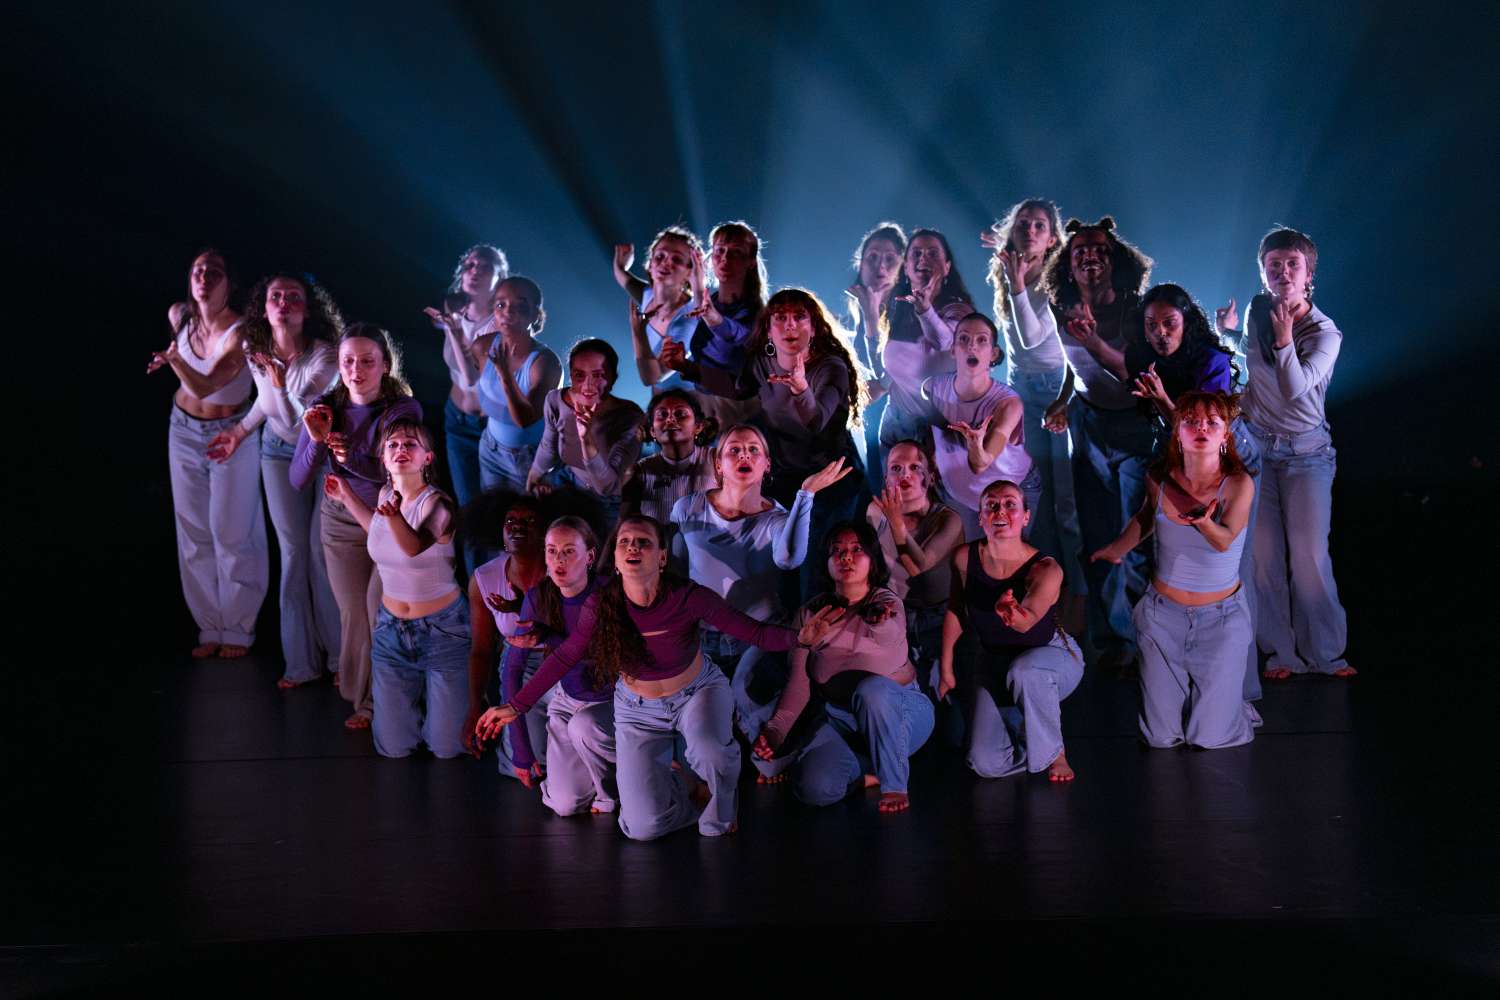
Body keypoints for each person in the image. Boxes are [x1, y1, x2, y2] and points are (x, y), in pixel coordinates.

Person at [475, 515, 824, 841]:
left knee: (709, 751)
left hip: (695, 693)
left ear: (661, 557)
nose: (633, 547)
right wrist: (515, 707)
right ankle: (682, 796)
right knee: (641, 828)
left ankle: (722, 803)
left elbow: (756, 633)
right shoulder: (602, 604)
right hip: (636, 708)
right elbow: (568, 654)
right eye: (624, 542)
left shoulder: (688, 596)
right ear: (615, 559)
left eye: (643, 542)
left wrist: (799, 639)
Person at [670, 426, 850, 780]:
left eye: (754, 449)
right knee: (697, 753)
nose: (744, 455)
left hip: (757, 638)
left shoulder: (777, 518)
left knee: (758, 732)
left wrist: (806, 496)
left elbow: (789, 559)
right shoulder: (688, 508)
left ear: (767, 464)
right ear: (718, 464)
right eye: (734, 449)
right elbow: (676, 573)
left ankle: (803, 746)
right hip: (703, 640)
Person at [661, 288, 864, 599]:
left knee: (815, 564)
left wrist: (801, 389)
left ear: (814, 328)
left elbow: (816, 422)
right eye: (780, 317)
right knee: (779, 565)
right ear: (769, 330)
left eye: (799, 317)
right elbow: (737, 388)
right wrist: (686, 367)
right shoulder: (762, 363)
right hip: (784, 475)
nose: (790, 325)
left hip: (829, 481)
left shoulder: (830, 367)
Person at [1215, 227, 1353, 680]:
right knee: (1263, 558)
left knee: (1310, 559)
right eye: (1273, 265)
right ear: (1263, 272)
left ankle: (1326, 655)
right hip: (1257, 448)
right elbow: (1253, 361)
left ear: (1309, 274)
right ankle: (1281, 653)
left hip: (1306, 454)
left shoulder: (1325, 332)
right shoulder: (1259, 309)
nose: (1283, 272)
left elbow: (1294, 388)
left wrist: (1284, 337)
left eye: (1293, 264)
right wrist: (1226, 334)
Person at [1092, 392, 1259, 748]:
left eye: (1212, 422)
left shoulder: (1239, 484)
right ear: (1177, 433)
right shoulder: (1159, 478)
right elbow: (1146, 517)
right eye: (1191, 422)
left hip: (1220, 620)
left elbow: (1224, 541)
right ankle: (1203, 703)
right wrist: (1116, 548)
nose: (1202, 429)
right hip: (1162, 617)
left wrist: (1204, 523)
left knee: (1208, 737)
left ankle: (1237, 711)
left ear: (1225, 434)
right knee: (1160, 738)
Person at [210, 272, 344, 688]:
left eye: (294, 297)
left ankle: (341, 660)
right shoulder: (255, 348)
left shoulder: (325, 356)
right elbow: (267, 405)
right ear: (264, 309)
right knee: (293, 556)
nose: (284, 303)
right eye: (276, 297)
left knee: (320, 555)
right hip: (276, 452)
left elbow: (301, 424)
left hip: (320, 452)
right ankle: (301, 664)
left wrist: (283, 385)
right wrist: (238, 431)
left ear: (308, 309)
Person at [290, 324, 422, 730]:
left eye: (367, 361)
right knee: (353, 615)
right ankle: (361, 695)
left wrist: (348, 459)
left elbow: (395, 472)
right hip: (340, 522)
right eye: (348, 361)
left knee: (380, 610)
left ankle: (379, 702)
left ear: (385, 365)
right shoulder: (325, 406)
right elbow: (297, 478)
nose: (356, 370)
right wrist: (318, 441)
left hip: (387, 518)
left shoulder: (402, 410)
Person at [1040, 217, 1155, 673]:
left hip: (1134, 427)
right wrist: (1062, 401)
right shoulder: (1062, 310)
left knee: (1134, 539)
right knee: (1095, 539)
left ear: (1116, 261)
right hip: (1088, 429)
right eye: (1080, 251)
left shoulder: (1135, 311)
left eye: (1100, 250)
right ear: (1067, 265)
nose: (1090, 257)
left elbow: (1133, 373)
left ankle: (1143, 639)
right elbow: (1076, 369)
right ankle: (1109, 642)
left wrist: (1093, 342)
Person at [754, 522, 933, 813]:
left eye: (856, 550)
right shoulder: (810, 614)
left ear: (872, 560)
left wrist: (877, 620)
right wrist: (775, 732)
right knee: (814, 789)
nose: (846, 557)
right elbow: (798, 685)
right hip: (841, 720)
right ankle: (867, 770)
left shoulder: (886, 602)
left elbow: (889, 631)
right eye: (836, 551)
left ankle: (893, 784)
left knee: (872, 690)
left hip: (903, 715)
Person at [148, 249, 267, 660]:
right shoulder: (179, 315)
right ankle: (210, 626)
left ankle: (238, 629)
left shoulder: (241, 330)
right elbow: (189, 390)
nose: (203, 278)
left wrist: (173, 360)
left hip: (230, 431)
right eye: (198, 271)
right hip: (183, 429)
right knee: (194, 531)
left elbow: (206, 384)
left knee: (232, 532)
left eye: (214, 272)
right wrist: (175, 357)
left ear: (229, 283)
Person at [326, 419, 467, 758]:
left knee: (447, 748)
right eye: (393, 445)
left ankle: (455, 701)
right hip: (391, 629)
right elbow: (379, 531)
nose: (401, 449)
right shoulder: (385, 496)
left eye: (410, 444)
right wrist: (346, 497)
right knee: (393, 747)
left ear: (427, 458)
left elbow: (413, 546)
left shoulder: (439, 505)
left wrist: (393, 518)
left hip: (442, 630)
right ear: (384, 459)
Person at [940, 480, 1083, 782]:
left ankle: (1055, 752)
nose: (1000, 511)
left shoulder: (1046, 569)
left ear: (1026, 517)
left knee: (1025, 671)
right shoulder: (964, 557)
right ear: (980, 517)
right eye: (991, 505)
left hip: (1050, 659)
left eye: (1010, 505)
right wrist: (946, 669)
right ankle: (1029, 737)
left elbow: (1026, 622)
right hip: (995, 663)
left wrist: (1012, 612)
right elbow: (956, 609)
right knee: (984, 763)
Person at [983, 199, 1084, 596]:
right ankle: (1040, 587)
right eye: (1023, 223)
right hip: (1021, 388)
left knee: (1067, 497)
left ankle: (1077, 595)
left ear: (1053, 238)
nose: (1030, 230)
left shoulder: (1057, 281)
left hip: (1057, 389)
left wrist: (1018, 284)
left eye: (1039, 225)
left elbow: (1031, 337)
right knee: (1032, 493)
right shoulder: (1008, 270)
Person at [501, 517, 618, 815]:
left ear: (589, 556)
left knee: (585, 727)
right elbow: (512, 670)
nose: (559, 560)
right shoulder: (538, 597)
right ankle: (590, 777)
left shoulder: (609, 592)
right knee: (565, 805)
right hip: (569, 700)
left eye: (568, 551)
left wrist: (549, 637)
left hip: (613, 702)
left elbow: (593, 651)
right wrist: (521, 750)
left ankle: (617, 785)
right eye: (552, 551)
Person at [922, 311, 1040, 540]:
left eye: (981, 340)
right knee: (966, 559)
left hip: (1010, 492)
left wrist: (975, 444)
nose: (971, 346)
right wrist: (932, 457)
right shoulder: (931, 389)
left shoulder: (1008, 403)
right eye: (964, 339)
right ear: (953, 350)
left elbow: (981, 464)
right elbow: (929, 425)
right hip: (958, 495)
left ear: (993, 353)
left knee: (1005, 556)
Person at [423, 244, 508, 538]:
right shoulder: (454, 309)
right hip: (457, 421)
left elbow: (473, 378)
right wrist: (449, 320)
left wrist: (455, 330)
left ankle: (502, 569)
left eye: (484, 266)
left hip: (492, 427)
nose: (474, 271)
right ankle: (473, 569)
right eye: (469, 265)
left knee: (495, 511)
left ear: (500, 277)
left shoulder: (503, 322)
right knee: (468, 510)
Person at [463, 494, 551, 781]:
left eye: (529, 521)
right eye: (510, 520)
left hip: (562, 659)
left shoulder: (560, 569)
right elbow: (481, 650)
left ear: (545, 534)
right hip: (517, 665)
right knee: (529, 765)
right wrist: (475, 706)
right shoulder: (485, 578)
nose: (518, 526)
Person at [867, 440, 963, 697]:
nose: (905, 475)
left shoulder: (947, 519)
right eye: (896, 468)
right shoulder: (875, 512)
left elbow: (918, 566)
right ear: (886, 478)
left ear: (930, 477)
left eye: (915, 467)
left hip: (941, 618)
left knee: (947, 695)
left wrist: (896, 524)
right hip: (897, 614)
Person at [526, 338, 644, 529]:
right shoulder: (556, 400)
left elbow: (607, 486)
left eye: (598, 375)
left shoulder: (630, 416)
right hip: (569, 481)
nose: (588, 385)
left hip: (608, 501)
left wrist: (586, 438)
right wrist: (534, 476)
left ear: (613, 377)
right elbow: (549, 444)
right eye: (579, 375)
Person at [878, 229, 975, 453]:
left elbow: (944, 343)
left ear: (947, 267)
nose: (923, 259)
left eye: (932, 253)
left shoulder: (959, 310)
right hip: (895, 424)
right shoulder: (898, 308)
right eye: (917, 253)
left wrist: (926, 310)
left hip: (939, 429)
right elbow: (892, 366)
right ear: (905, 266)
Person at [844, 222, 907, 495]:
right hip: (859, 430)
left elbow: (890, 376)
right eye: (872, 258)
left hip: (899, 430)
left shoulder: (910, 316)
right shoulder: (850, 320)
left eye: (890, 259)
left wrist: (872, 317)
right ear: (860, 264)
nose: (880, 267)